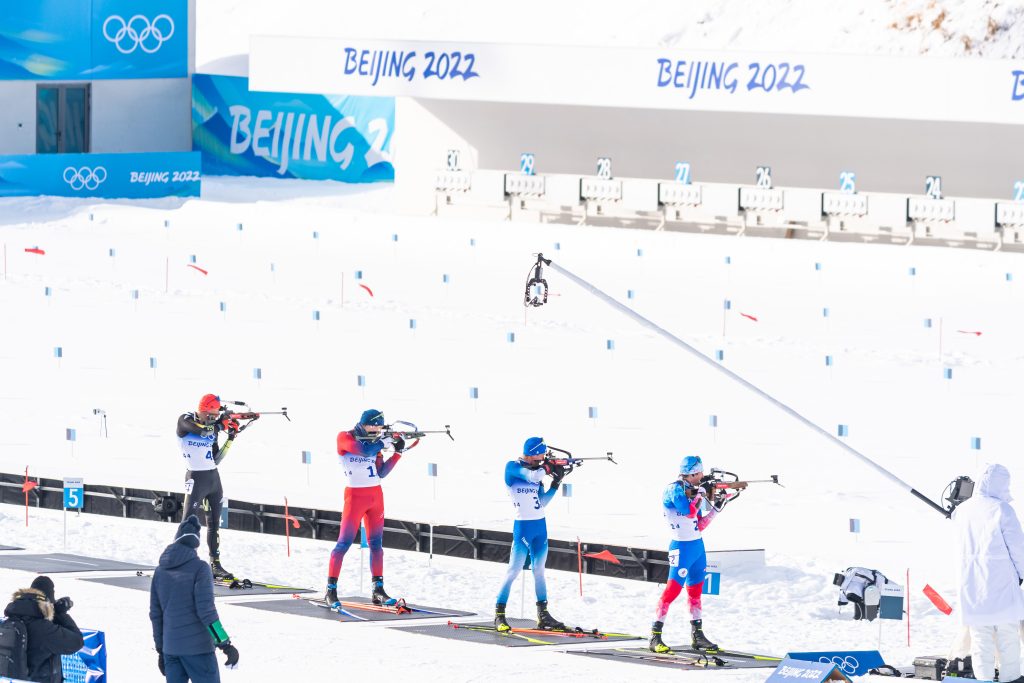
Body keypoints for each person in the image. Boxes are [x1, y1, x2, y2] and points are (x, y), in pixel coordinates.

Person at [649, 455, 732, 654]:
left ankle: (698, 636)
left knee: (695, 593)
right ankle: (655, 636)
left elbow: (699, 525)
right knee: (672, 592)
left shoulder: (694, 490)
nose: (702, 477)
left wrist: (716, 509)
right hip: (681, 548)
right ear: (693, 473)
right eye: (700, 473)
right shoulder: (674, 489)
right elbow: (689, 512)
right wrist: (700, 496)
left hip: (697, 547)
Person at [324, 409, 405, 608]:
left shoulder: (374, 442)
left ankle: (378, 590)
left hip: (376, 496)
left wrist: (397, 453)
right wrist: (383, 442)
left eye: (380, 427)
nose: (377, 430)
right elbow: (364, 451)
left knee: (376, 545)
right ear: (364, 424)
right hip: (355, 497)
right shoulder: (345, 437)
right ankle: (330, 591)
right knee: (343, 544)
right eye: (374, 426)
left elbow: (381, 472)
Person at [952, 462, 1024, 683]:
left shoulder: (962, 511)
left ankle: (983, 679)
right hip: (1002, 585)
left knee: (980, 638)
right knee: (1008, 637)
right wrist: (1021, 574)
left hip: (971, 585)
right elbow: (1018, 548)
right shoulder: (1002, 509)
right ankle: (1011, 678)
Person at [150, 514, 240, 683]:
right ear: (195, 544)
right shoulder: (200, 569)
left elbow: (156, 615)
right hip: (199, 651)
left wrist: (161, 649)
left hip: (171, 651)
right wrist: (225, 644)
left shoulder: (160, 571)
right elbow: (206, 611)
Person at [493, 436, 568, 632]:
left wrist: (556, 483)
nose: (543, 459)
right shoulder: (512, 468)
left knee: (539, 571)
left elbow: (542, 502)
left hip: (540, 527)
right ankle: (499, 614)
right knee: (514, 571)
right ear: (533, 454)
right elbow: (533, 476)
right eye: (541, 455)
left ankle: (543, 615)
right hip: (523, 528)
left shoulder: (537, 473)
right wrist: (549, 468)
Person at [177, 393, 241, 580]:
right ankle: (178, 562)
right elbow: (201, 431)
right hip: (195, 478)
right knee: (188, 522)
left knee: (214, 524)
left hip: (213, 478)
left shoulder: (212, 428)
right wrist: (220, 425)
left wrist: (230, 438)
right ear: (203, 411)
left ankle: (215, 565)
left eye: (215, 416)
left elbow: (216, 458)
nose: (213, 419)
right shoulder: (185, 420)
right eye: (211, 415)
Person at [2, 575, 83, 683]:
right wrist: (60, 613)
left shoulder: (8, 622)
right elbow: (77, 642)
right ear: (47, 604)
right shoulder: (44, 630)